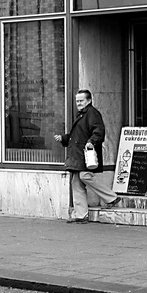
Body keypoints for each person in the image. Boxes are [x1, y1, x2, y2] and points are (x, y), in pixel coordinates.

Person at [54, 89, 120, 223]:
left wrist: (91, 142)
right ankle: (81, 215)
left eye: (81, 100)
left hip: (84, 153)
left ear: (89, 100)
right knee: (76, 182)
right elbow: (77, 135)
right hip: (79, 153)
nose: (78, 103)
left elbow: (99, 131)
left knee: (84, 176)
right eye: (77, 101)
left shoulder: (91, 113)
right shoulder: (83, 114)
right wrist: (63, 138)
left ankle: (111, 197)